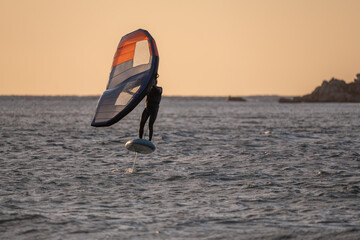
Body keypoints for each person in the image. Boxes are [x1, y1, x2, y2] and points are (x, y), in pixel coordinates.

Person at [139, 77, 162, 141]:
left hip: (154, 109)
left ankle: (149, 140)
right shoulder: (148, 89)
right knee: (142, 124)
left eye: (153, 82)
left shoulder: (159, 89)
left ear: (156, 83)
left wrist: (152, 84)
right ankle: (140, 139)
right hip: (147, 108)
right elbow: (140, 93)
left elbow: (158, 90)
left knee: (150, 125)